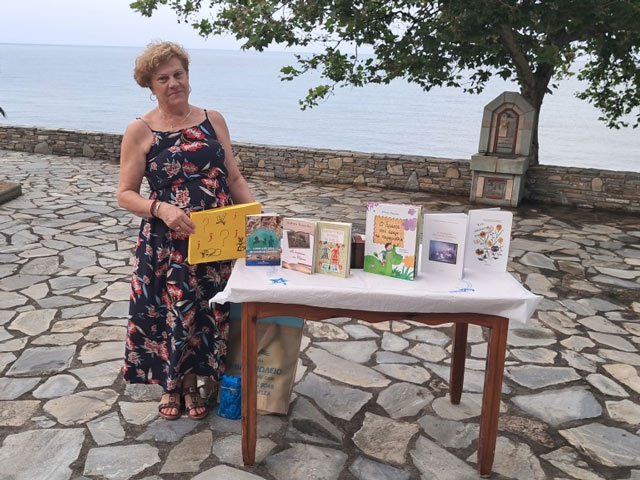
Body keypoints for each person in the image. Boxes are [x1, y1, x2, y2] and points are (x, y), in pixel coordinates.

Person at [117, 41, 254, 420]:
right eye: (163, 78)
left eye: (178, 74)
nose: (173, 83)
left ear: (188, 77)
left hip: (217, 238)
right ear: (150, 86)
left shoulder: (213, 120)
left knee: (209, 309)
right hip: (168, 243)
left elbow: (234, 177)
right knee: (174, 312)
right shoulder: (140, 130)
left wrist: (257, 221)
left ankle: (200, 381)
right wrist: (161, 208)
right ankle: (175, 386)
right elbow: (125, 194)